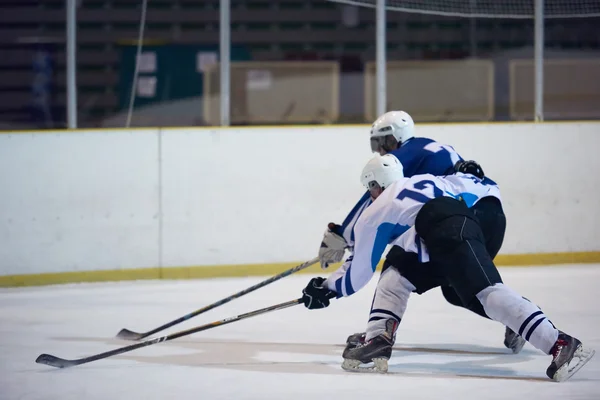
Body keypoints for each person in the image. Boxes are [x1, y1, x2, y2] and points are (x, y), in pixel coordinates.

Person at [302, 154, 595, 382]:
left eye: (371, 188)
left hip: (445, 228)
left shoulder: (376, 210)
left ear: (375, 185)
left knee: (484, 293)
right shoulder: (429, 180)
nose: (371, 194)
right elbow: (483, 187)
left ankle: (559, 342)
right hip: (454, 224)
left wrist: (326, 289)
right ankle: (378, 337)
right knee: (396, 271)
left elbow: (359, 273)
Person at [318, 110, 525, 354]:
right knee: (458, 289)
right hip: (489, 219)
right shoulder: (433, 150)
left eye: (380, 142)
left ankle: (379, 336)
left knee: (398, 264)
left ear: (393, 137)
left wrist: (343, 235)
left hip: (462, 221)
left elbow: (376, 198)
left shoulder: (405, 155)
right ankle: (520, 318)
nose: (379, 150)